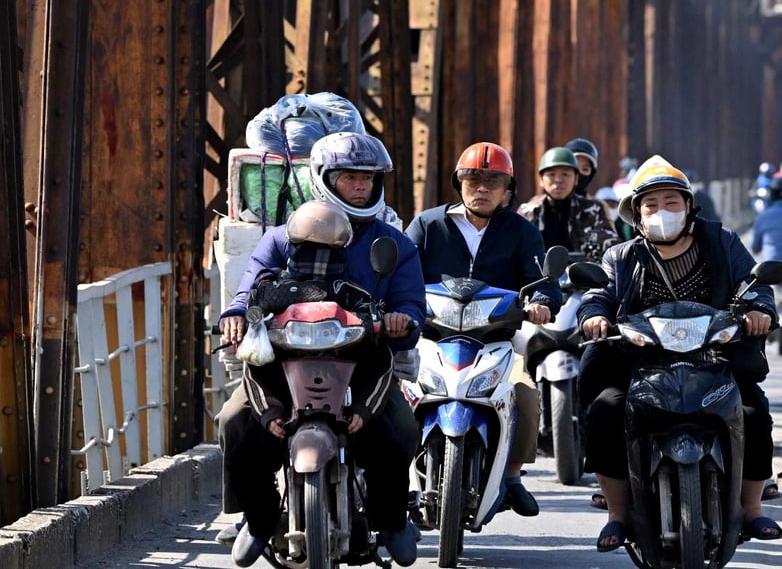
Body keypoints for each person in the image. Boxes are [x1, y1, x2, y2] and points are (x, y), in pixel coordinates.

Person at [216, 132, 427, 567]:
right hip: (284, 361)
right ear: (324, 178)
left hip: (361, 361)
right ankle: (256, 520)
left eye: (368, 178)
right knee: (234, 421)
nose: (361, 186)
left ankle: (390, 521)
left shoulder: (394, 243)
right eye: (349, 177)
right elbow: (248, 291)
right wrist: (235, 316)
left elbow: (410, 304)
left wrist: (401, 319)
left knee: (401, 429)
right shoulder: (280, 238)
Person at [577, 155, 782, 552]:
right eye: (651, 205)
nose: (661, 212)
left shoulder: (722, 242)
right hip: (641, 362)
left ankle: (753, 508)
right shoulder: (620, 257)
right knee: (604, 409)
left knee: (754, 410)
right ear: (636, 215)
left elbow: (755, 282)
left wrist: (759, 309)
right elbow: (597, 295)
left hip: (715, 358)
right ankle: (617, 514)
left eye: (672, 202)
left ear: (689, 207)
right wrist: (594, 318)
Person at [405, 142, 563, 517]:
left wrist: (541, 302)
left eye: (493, 181)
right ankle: (390, 473)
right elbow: (402, 272)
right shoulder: (428, 225)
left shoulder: (522, 232)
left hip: (496, 338)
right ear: (458, 183)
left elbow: (542, 279)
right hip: (431, 335)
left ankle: (510, 475)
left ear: (508, 189)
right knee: (394, 392)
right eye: (472, 178)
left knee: (524, 392)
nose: (482, 188)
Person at [517, 146, 619, 261]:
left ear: (576, 179)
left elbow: (611, 247)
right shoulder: (528, 212)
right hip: (537, 276)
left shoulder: (593, 209)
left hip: (583, 275)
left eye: (565, 174)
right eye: (551, 174)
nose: (559, 180)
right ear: (541, 179)